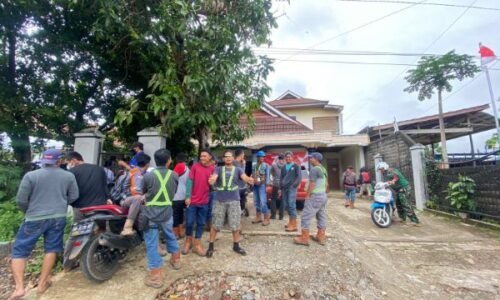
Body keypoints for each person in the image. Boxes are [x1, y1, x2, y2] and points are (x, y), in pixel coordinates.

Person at [10, 149, 79, 299]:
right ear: (59, 161)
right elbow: (74, 196)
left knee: (20, 251)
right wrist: (61, 204)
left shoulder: (31, 176)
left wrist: (29, 211)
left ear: (43, 161)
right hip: (58, 217)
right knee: (52, 249)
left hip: (34, 217)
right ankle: (42, 284)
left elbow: (21, 200)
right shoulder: (68, 176)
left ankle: (19, 288)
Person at [141, 148, 181, 288]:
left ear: (155, 160)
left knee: (152, 242)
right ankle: (176, 261)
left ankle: (156, 276)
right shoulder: (174, 175)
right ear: (169, 160)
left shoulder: (148, 176)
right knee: (170, 234)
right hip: (167, 211)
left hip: (151, 213)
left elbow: (144, 192)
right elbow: (174, 191)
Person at [206, 150, 254, 258]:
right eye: (226, 157)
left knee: (235, 223)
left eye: (230, 156)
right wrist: (212, 180)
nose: (228, 158)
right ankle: (211, 245)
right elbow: (214, 177)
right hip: (219, 200)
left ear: (233, 158)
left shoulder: (238, 169)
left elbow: (244, 177)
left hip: (234, 200)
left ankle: (236, 245)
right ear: (223, 159)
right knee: (215, 224)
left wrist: (249, 180)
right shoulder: (218, 169)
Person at [182, 149, 215, 256]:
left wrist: (213, 183)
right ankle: (188, 241)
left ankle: (197, 243)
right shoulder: (195, 167)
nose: (202, 158)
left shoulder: (212, 169)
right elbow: (189, 182)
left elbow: (213, 185)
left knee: (201, 223)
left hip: (204, 201)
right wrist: (187, 196)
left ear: (210, 157)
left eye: (204, 156)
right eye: (201, 156)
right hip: (192, 201)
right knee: (190, 222)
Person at [294, 152, 329, 246]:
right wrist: (324, 194)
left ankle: (304, 238)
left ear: (316, 159)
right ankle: (321, 236)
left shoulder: (314, 169)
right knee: (321, 216)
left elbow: (312, 184)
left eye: (311, 158)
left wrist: (307, 196)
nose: (310, 159)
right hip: (323, 196)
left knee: (306, 215)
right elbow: (326, 185)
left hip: (315, 196)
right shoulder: (323, 169)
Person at [65, 151, 110, 222]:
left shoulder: (71, 172)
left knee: (78, 230)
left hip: (80, 207)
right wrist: (108, 198)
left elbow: (70, 190)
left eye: (68, 162)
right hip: (99, 206)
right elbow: (105, 186)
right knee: (99, 229)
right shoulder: (99, 169)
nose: (68, 165)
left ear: (74, 160)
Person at [120, 154, 151, 235]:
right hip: (127, 199)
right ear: (147, 163)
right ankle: (127, 227)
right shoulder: (135, 173)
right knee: (138, 198)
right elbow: (130, 190)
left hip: (136, 200)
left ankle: (142, 234)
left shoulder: (144, 174)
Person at [281, 151, 302, 232]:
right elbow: (281, 177)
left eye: (289, 157)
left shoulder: (296, 166)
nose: (288, 158)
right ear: (285, 158)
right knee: (286, 205)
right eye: (286, 157)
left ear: (292, 157)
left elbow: (299, 177)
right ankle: (290, 222)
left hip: (292, 188)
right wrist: (281, 186)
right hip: (284, 188)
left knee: (291, 204)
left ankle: (294, 225)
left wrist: (293, 186)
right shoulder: (283, 167)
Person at [172, 153, 189, 239]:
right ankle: (181, 232)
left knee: (175, 215)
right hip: (183, 195)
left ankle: (175, 234)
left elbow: (172, 177)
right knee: (180, 214)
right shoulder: (187, 168)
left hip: (176, 195)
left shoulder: (179, 166)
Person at [251, 150, 271, 226]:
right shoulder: (254, 165)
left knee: (263, 202)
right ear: (257, 157)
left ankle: (266, 219)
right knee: (256, 202)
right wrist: (252, 183)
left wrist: (267, 186)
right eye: (260, 157)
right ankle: (258, 217)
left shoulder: (266, 165)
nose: (262, 158)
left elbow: (268, 177)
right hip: (255, 185)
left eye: (263, 157)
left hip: (262, 186)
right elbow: (252, 175)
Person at [234, 149, 249, 217]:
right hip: (237, 187)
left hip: (243, 186)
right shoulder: (235, 163)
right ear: (241, 155)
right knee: (238, 202)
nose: (244, 156)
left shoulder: (240, 163)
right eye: (243, 154)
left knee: (243, 202)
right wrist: (244, 164)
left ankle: (241, 212)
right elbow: (241, 174)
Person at [270, 154, 285, 220]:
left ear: (278, 158)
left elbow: (271, 173)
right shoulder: (286, 166)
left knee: (273, 199)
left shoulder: (274, 165)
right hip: (283, 185)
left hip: (275, 184)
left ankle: (273, 215)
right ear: (283, 159)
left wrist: (275, 178)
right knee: (283, 200)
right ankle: (281, 216)